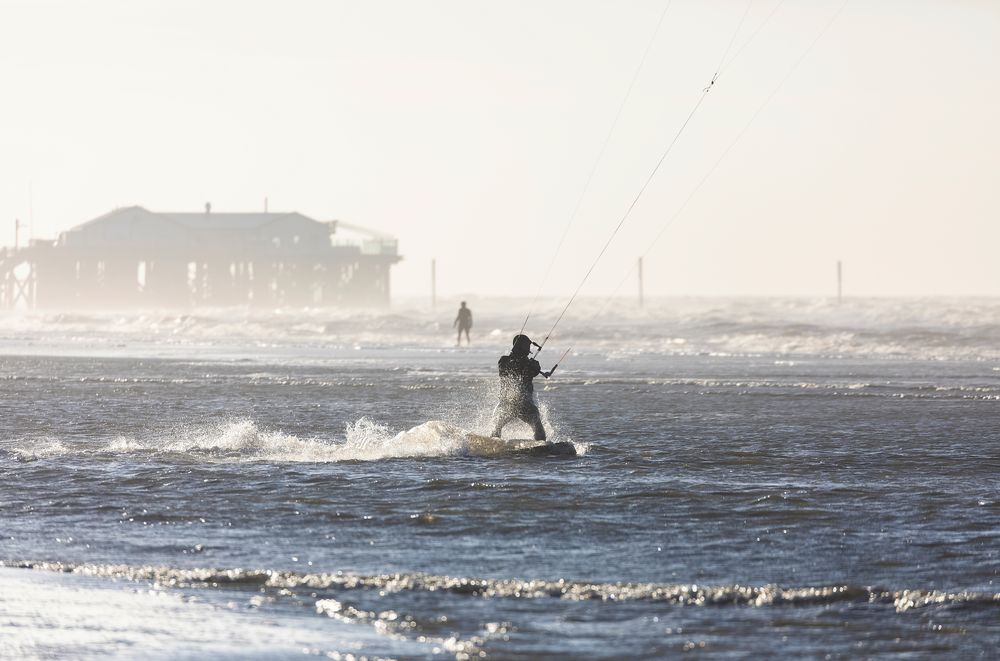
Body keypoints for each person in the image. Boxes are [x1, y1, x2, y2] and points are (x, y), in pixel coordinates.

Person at [490, 334, 554, 440]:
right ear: (517, 346)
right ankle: (493, 444)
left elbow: (534, 372)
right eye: (526, 346)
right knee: (496, 427)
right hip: (507, 402)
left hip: (525, 404)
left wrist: (532, 366)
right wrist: (522, 363)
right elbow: (504, 371)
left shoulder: (531, 364)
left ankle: (542, 446)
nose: (528, 349)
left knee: (538, 426)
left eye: (529, 346)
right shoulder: (504, 360)